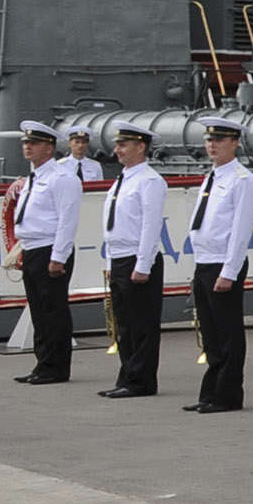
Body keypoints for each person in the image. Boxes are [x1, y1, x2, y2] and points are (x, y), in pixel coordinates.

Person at [181, 114, 253, 413]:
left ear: (235, 143)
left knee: (227, 332)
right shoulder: (212, 176)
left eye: (219, 140)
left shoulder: (242, 180)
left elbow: (240, 231)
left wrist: (229, 271)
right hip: (205, 261)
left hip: (223, 263)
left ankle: (227, 394)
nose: (212, 145)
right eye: (209, 140)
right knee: (210, 333)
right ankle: (211, 390)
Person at [96, 119, 169, 400]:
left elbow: (150, 226)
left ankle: (141, 380)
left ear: (141, 146)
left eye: (123, 144)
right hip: (120, 257)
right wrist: (111, 262)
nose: (117, 150)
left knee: (142, 324)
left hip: (138, 259)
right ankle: (127, 375)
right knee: (124, 324)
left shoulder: (149, 181)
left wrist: (143, 264)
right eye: (117, 144)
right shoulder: (123, 179)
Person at [9, 118, 81, 384]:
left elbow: (67, 220)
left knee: (53, 311)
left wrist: (58, 257)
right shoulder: (35, 176)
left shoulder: (62, 178)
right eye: (26, 142)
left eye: (34, 143)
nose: (27, 147)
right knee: (39, 311)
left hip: (50, 249)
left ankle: (56, 367)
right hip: (32, 249)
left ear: (49, 148)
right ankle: (43, 364)